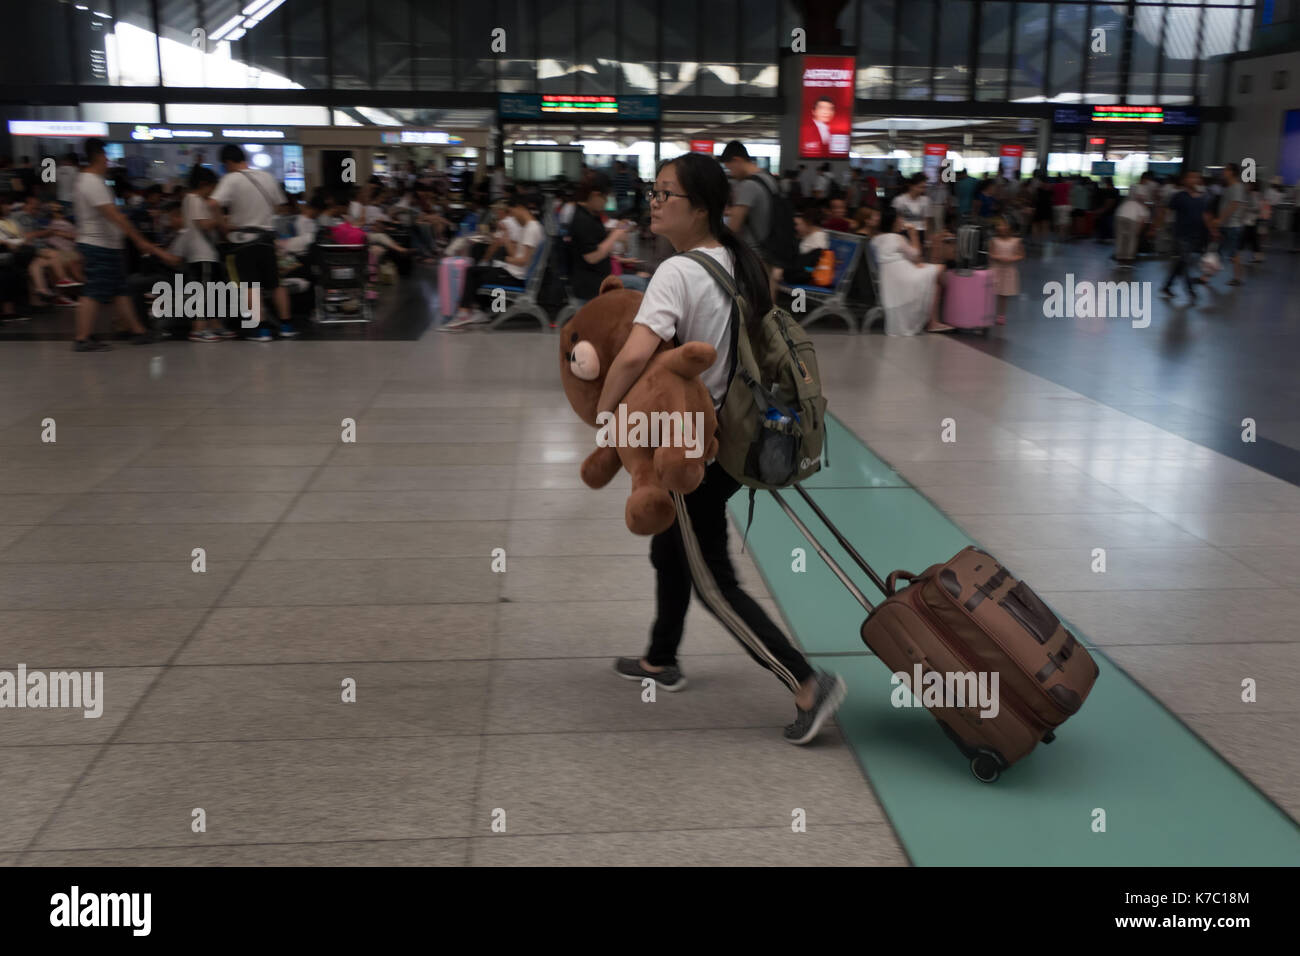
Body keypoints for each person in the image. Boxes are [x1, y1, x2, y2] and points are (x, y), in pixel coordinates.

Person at [594, 151, 846, 744]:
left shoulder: (677, 273)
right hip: (732, 435)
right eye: (651, 193)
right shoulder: (738, 260)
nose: (653, 203)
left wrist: (606, 416)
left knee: (712, 580)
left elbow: (633, 354)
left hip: (691, 451)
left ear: (700, 207)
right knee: (670, 547)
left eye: (665, 195)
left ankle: (809, 682)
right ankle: (661, 657)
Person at [70, 138, 179, 351]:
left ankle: (138, 331)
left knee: (121, 290)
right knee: (94, 290)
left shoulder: (92, 181)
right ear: (100, 156)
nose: (108, 161)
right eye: (106, 157)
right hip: (97, 245)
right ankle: (82, 338)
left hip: (106, 245)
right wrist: (139, 240)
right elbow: (115, 216)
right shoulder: (91, 182)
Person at [209, 144, 294, 341]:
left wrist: (223, 225)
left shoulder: (231, 179)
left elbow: (213, 203)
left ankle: (262, 329)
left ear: (228, 162)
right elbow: (280, 206)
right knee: (276, 284)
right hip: (266, 239)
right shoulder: (267, 177)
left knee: (249, 286)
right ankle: (286, 326)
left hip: (242, 241)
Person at [442, 193, 543, 331]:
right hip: (512, 272)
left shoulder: (531, 228)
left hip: (514, 277)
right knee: (476, 271)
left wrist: (507, 260)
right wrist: (507, 238)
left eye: (512, 212)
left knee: (472, 272)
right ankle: (480, 310)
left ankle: (464, 313)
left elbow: (523, 261)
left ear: (519, 207)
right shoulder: (529, 226)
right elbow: (516, 254)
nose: (512, 216)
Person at [870, 206, 951, 336]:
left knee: (935, 278)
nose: (902, 220)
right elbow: (916, 255)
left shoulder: (876, 240)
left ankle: (933, 320)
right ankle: (935, 320)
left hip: (894, 279)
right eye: (900, 218)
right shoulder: (896, 238)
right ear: (894, 221)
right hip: (904, 277)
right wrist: (913, 234)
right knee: (940, 269)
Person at [720, 140, 783, 292]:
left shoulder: (748, 185)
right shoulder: (768, 179)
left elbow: (733, 227)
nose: (731, 174)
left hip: (753, 254)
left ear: (737, 160)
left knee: (752, 301)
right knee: (766, 298)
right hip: (771, 249)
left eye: (730, 168)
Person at [568, 171, 629, 305]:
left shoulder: (590, 214)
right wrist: (615, 235)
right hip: (591, 287)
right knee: (639, 286)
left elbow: (596, 237)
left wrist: (614, 231)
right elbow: (592, 256)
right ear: (595, 195)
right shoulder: (582, 219)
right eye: (605, 197)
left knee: (641, 283)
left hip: (599, 280)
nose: (606, 202)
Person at [1160, 170, 1214, 302]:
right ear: (1184, 181)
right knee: (1185, 261)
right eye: (1191, 177)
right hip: (1181, 235)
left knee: (1181, 262)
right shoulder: (1179, 196)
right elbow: (1165, 211)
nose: (1194, 179)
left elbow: (1205, 216)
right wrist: (1157, 227)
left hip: (1195, 235)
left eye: (1196, 177)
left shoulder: (1202, 198)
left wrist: (1213, 230)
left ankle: (1167, 286)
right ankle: (1190, 290)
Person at [1214, 163, 1247, 287]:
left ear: (1232, 172)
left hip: (1233, 225)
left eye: (1226, 169)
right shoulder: (1228, 187)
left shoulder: (1237, 187)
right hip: (1228, 225)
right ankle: (1206, 276)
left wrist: (1220, 219)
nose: (1224, 172)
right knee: (1224, 251)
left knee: (1233, 253)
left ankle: (1238, 278)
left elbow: (1234, 205)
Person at [988, 217, 1023, 326]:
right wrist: (997, 257)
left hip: (1008, 270)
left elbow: (1021, 254)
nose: (1001, 228)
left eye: (1003, 225)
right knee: (992, 291)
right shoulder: (994, 241)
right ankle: (988, 312)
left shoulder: (1016, 241)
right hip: (996, 269)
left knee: (1004, 293)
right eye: (999, 225)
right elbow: (990, 253)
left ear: (1010, 227)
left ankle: (1001, 315)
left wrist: (1012, 258)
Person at [787, 207, 830, 285]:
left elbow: (811, 266)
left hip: (804, 273)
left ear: (808, 222)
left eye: (802, 223)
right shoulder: (812, 236)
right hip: (802, 270)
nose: (798, 227)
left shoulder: (818, 240)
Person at [1113, 186, 1150, 269]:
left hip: (1119, 216)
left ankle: (1119, 259)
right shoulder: (1144, 208)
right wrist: (1138, 231)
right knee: (1132, 239)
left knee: (1120, 238)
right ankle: (1128, 260)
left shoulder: (1128, 202)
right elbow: (1142, 221)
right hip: (1132, 219)